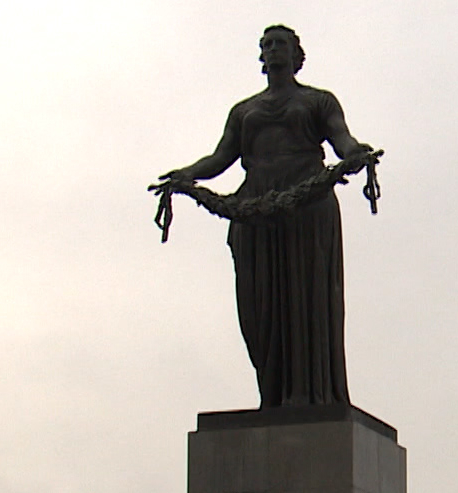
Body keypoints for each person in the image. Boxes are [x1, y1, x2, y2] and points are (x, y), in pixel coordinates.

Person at [151, 24, 375, 409]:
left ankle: (309, 396)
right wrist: (186, 174)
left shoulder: (319, 101)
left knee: (305, 300)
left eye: (280, 44)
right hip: (254, 208)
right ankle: (270, 396)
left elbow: (342, 140)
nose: (272, 50)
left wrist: (357, 153)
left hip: (306, 203)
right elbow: (221, 158)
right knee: (259, 308)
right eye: (267, 45)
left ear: (295, 54)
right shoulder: (244, 111)